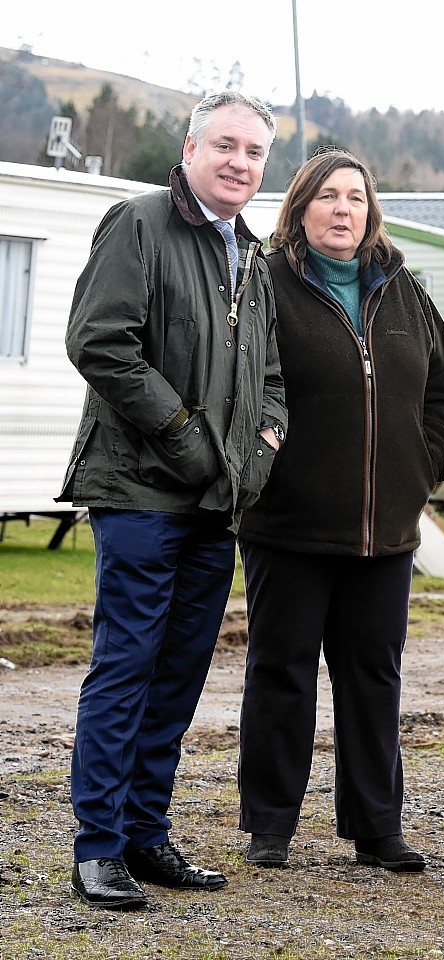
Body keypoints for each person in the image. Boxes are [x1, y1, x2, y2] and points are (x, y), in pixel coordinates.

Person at [58, 90, 286, 910]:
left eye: (254, 152)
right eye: (225, 145)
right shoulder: (141, 222)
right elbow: (100, 342)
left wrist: (257, 454)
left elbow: (267, 379)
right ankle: (99, 847)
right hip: (141, 493)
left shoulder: (249, 254)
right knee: (128, 665)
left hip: (215, 501)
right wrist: (191, 442)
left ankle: (146, 833)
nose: (239, 163)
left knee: (182, 670)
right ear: (190, 149)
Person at [235, 148, 444, 872]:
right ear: (301, 207)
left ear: (372, 212)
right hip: (289, 525)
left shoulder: (403, 290)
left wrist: (426, 466)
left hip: (387, 530)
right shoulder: (267, 283)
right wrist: (261, 472)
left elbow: (441, 387)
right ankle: (270, 825)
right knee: (283, 674)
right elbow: (242, 387)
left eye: (355, 198)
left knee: (373, 679)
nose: (343, 209)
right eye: (328, 196)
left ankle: (376, 828)